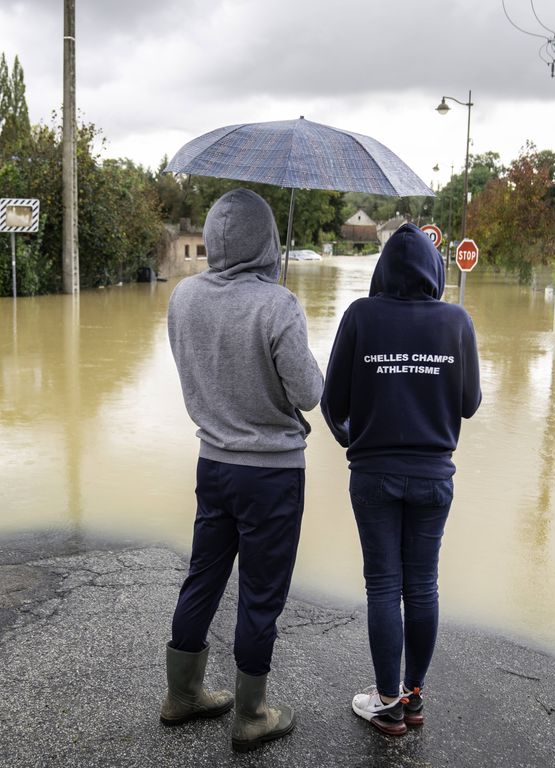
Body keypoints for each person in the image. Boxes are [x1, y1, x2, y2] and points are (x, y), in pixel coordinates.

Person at [159, 188, 324, 753]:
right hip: (272, 475)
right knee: (259, 594)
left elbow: (197, 369)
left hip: (213, 463)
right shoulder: (277, 305)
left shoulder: (182, 298)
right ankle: (250, 714)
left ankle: (183, 695)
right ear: (268, 240)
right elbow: (309, 392)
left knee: (203, 575)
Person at [320, 222, 482, 736]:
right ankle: (413, 699)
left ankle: (387, 701)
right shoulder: (457, 321)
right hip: (435, 477)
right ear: (436, 269)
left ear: (382, 268)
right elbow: (470, 404)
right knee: (423, 586)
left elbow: (333, 403)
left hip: (372, 477)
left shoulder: (360, 316)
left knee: (384, 587)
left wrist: (354, 439)